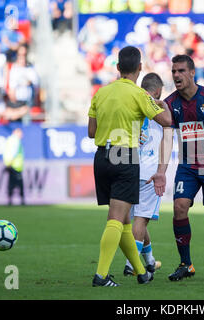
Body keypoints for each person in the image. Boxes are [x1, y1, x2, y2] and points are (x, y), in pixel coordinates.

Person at [87, 46, 172, 287]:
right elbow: (166, 122)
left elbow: (91, 132)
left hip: (102, 156)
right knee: (116, 218)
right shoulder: (139, 94)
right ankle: (101, 276)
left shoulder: (100, 93)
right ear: (140, 68)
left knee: (124, 219)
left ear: (117, 68)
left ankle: (141, 272)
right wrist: (160, 104)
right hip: (125, 156)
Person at [149, 54, 204, 281]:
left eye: (181, 71)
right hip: (187, 165)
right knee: (179, 207)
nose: (176, 75)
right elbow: (167, 138)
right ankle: (186, 264)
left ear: (192, 72)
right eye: (174, 71)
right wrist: (161, 171)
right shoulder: (170, 103)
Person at [122, 72, 167, 277]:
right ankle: (132, 265)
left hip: (130, 169)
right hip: (149, 173)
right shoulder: (158, 108)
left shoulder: (131, 104)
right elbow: (169, 124)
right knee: (141, 219)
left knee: (139, 218)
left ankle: (149, 261)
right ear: (157, 91)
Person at [3, 128, 25, 206]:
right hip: (15, 166)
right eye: (20, 133)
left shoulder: (9, 140)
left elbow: (6, 152)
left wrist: (7, 164)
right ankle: (22, 201)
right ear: (16, 133)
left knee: (11, 184)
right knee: (19, 184)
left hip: (10, 165)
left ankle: (10, 201)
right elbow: (13, 153)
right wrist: (10, 163)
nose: (22, 135)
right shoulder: (15, 141)